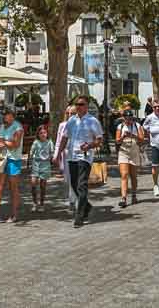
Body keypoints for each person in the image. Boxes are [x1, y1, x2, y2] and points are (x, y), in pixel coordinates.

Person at [54, 97, 103, 228]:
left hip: (85, 157)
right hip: (71, 156)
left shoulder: (93, 121)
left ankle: (79, 216)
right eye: (77, 104)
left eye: (81, 104)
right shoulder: (71, 120)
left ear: (87, 106)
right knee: (74, 185)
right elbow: (64, 137)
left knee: (82, 185)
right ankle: (86, 206)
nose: (78, 106)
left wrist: (90, 145)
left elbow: (99, 140)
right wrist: (58, 153)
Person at [115, 109, 143, 207]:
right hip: (124, 152)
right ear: (124, 118)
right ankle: (123, 198)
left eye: (130, 118)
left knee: (133, 176)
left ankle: (134, 194)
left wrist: (132, 135)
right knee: (124, 174)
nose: (128, 121)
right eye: (126, 119)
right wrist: (123, 136)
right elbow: (117, 141)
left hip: (134, 152)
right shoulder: (120, 126)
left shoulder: (137, 126)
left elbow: (141, 139)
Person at [54, 105, 78, 210]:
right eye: (68, 113)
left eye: (72, 113)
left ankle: (74, 200)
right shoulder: (62, 125)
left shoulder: (79, 124)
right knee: (68, 178)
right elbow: (58, 142)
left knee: (76, 177)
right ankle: (73, 198)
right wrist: (56, 155)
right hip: (66, 154)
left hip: (78, 153)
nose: (69, 115)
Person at [29, 125, 53, 212]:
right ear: (38, 134)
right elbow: (31, 153)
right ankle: (35, 203)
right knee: (33, 184)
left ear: (47, 134)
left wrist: (50, 158)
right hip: (36, 164)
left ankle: (42, 203)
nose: (43, 134)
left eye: (44, 133)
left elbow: (52, 152)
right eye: (41, 133)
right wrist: (31, 162)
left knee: (43, 185)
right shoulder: (36, 142)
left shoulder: (49, 142)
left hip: (45, 165)